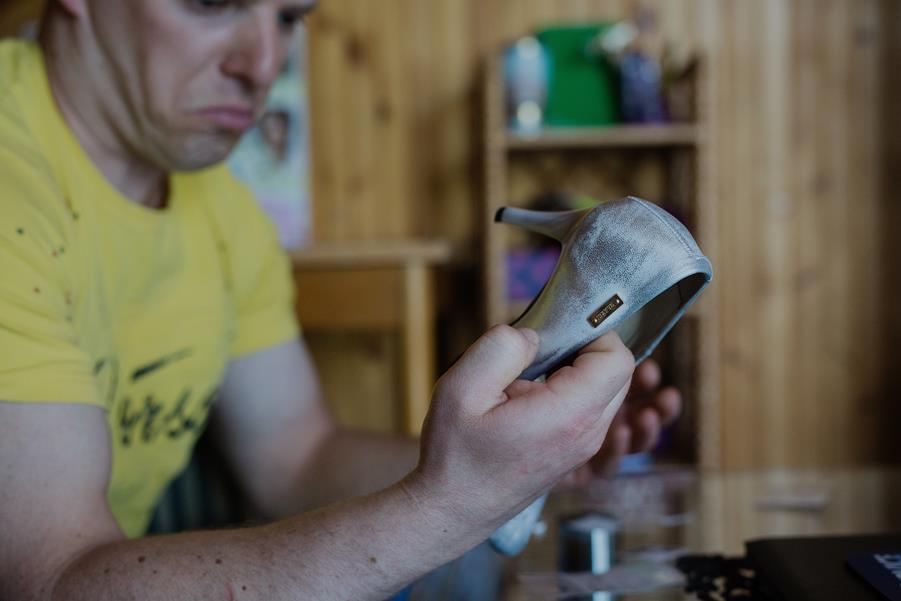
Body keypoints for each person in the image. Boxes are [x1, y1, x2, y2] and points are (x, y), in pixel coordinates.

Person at [0, 0, 681, 599]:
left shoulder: (221, 210)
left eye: (289, 16)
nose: (263, 63)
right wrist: (447, 506)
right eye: (210, 2)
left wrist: (520, 467)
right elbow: (46, 584)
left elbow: (297, 459)